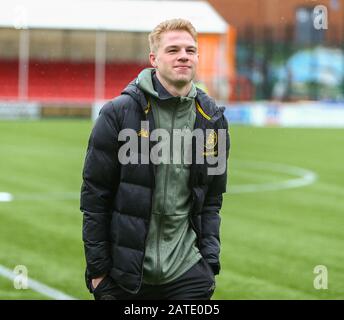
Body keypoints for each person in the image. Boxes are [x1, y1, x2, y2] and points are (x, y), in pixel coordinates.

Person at [80, 18, 230, 300]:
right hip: (126, 275)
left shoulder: (213, 120)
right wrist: (99, 273)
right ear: (154, 59)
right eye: (173, 50)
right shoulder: (119, 113)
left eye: (190, 50)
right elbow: (94, 197)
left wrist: (208, 263)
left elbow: (212, 197)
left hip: (188, 273)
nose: (183, 56)